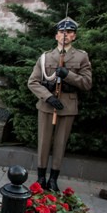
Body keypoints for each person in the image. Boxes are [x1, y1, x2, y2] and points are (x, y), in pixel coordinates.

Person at [27, 17, 92, 192]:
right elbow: (32, 82)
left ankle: (53, 179)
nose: (65, 35)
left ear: (74, 36)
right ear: (56, 36)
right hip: (47, 105)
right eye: (62, 32)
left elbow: (87, 83)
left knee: (60, 143)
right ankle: (41, 178)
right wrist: (48, 97)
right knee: (44, 142)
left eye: (69, 32)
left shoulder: (81, 56)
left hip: (68, 106)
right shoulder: (46, 57)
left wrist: (68, 75)